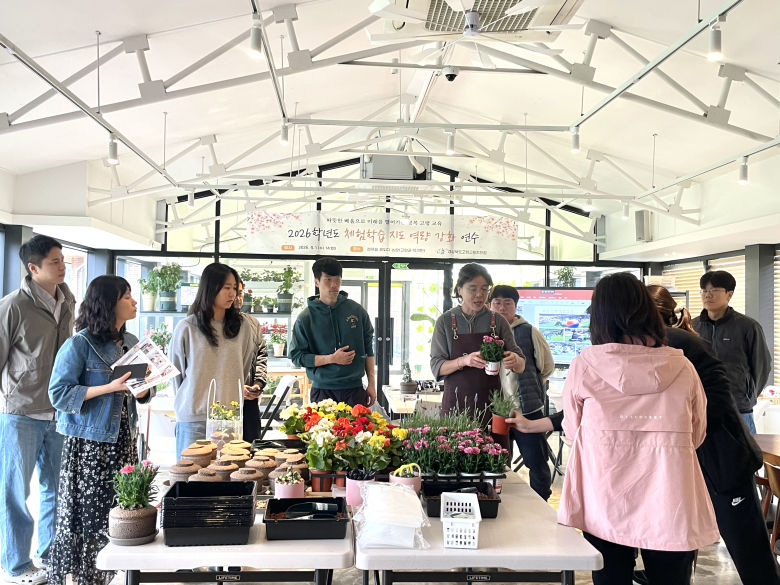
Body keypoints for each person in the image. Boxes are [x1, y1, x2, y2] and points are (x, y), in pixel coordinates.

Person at [545, 273, 718, 585]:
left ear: (599, 318)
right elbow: (697, 433)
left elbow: (571, 430)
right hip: (670, 493)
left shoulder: (585, 365)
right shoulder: (682, 367)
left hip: (605, 493)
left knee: (610, 576)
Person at [47, 276, 154, 585]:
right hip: (91, 445)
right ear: (109, 303)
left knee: (124, 512)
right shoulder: (80, 343)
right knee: (91, 517)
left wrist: (143, 388)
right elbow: (59, 394)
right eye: (127, 296)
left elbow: (141, 394)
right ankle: (89, 577)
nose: (134, 301)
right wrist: (110, 387)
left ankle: (115, 574)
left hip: (124, 440)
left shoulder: (131, 341)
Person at [0, 235, 75, 585]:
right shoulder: (12, 306)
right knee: (15, 493)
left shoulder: (68, 301)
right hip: (21, 413)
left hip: (60, 413)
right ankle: (16, 565)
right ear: (33, 268)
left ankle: (51, 555)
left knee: (56, 490)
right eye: (54, 261)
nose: (62, 266)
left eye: (62, 259)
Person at [169, 263, 255, 459]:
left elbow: (242, 368)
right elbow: (176, 374)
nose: (232, 293)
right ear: (210, 288)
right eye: (226, 287)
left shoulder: (242, 327)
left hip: (229, 419)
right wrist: (192, 399)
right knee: (190, 475)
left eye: (235, 288)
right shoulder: (187, 327)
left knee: (228, 475)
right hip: (193, 418)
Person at [430, 264, 525, 424]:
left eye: (484, 289)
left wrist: (515, 360)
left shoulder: (498, 321)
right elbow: (437, 368)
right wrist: (464, 361)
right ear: (459, 290)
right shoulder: (445, 321)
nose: (479, 295)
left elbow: (521, 365)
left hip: (492, 406)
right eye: (473, 289)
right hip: (456, 407)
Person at [488, 285, 554, 500]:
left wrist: (530, 385)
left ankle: (543, 502)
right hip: (496, 411)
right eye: (497, 303)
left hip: (527, 408)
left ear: (516, 306)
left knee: (537, 461)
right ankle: (500, 502)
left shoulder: (529, 331)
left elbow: (546, 366)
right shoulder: (484, 333)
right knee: (497, 461)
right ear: (490, 306)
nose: (502, 308)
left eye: (507, 303)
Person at [693, 270, 772, 434]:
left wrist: (748, 397)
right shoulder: (693, 327)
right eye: (704, 290)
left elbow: (762, 366)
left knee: (744, 450)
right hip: (701, 407)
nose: (707, 295)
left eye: (714, 290)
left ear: (729, 294)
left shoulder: (747, 326)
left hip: (738, 408)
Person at [289, 258, 376, 407]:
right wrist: (331, 359)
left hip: (354, 390)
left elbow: (368, 349)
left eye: (337, 279)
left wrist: (372, 384)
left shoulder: (357, 311)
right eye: (328, 279)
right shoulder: (305, 318)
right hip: (322, 391)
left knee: (359, 424)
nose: (333, 284)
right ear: (317, 282)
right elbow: (297, 357)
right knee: (322, 424)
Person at [234, 278, 268, 442]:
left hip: (250, 399)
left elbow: (261, 354)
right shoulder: (216, 325)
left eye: (240, 293)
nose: (237, 298)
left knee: (252, 446)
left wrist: (258, 383)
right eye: (234, 292)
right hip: (227, 401)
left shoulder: (252, 323)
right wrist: (236, 388)